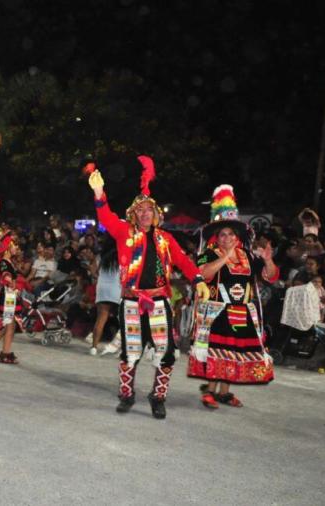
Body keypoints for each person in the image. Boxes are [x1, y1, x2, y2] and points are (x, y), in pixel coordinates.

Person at [88, 156, 209, 419]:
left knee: (165, 353)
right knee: (130, 351)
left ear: (156, 215)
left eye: (149, 210)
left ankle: (159, 396)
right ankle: (126, 394)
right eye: (140, 210)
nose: (145, 213)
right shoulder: (124, 232)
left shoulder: (166, 239)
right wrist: (99, 192)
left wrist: (198, 279)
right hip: (131, 302)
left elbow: (184, 262)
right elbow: (105, 216)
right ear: (133, 214)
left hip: (159, 303)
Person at [187, 185, 279, 408]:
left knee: (234, 352)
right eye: (223, 234)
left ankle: (224, 393)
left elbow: (271, 277)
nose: (227, 237)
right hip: (217, 311)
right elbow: (202, 274)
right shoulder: (208, 254)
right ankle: (209, 391)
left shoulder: (248, 256)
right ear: (217, 238)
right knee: (215, 352)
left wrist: (267, 260)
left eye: (230, 233)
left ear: (237, 236)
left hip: (243, 312)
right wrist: (225, 256)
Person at [0, 228, 24, 364]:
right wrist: (11, 283)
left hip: (9, 297)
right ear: (7, 247)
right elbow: (5, 277)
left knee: (4, 326)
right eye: (15, 245)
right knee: (10, 325)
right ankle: (5, 353)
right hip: (8, 297)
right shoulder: (4, 262)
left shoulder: (6, 261)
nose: (17, 248)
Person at [88, 235, 121, 355]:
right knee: (123, 320)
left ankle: (94, 347)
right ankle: (121, 348)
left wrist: (99, 278)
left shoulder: (101, 256)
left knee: (101, 318)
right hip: (117, 288)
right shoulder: (123, 255)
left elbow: (93, 271)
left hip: (102, 287)